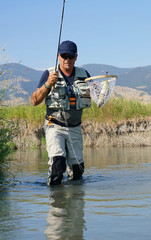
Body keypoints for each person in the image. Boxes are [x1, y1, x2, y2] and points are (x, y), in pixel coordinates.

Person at [31, 40, 92, 186]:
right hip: (55, 126)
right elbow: (34, 101)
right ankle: (56, 205)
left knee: (78, 171)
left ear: (76, 57)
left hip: (75, 127)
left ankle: (75, 203)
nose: (67, 60)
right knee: (57, 165)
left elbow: (96, 96)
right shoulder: (48, 73)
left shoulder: (85, 75)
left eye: (70, 56)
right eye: (64, 56)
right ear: (58, 56)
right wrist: (47, 84)